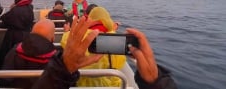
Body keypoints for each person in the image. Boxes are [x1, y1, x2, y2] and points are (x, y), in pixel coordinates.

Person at [30, 16, 177, 89]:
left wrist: (61, 70)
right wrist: (156, 83)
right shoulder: (112, 37)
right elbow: (119, 63)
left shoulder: (70, 38)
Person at [61, 6, 126, 87]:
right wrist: (112, 31)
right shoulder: (114, 39)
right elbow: (119, 64)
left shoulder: (74, 35)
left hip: (80, 84)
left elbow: (65, 43)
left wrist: (67, 31)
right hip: (107, 85)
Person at [0, 19, 56, 88]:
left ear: (31, 33)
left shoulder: (15, 51)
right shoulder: (57, 60)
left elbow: (5, 79)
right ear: (53, 38)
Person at [0, 0, 35, 71]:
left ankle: (2, 77)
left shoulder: (16, 10)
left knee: (8, 58)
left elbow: (4, 18)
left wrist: (12, 8)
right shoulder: (30, 9)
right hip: (26, 36)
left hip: (13, 38)